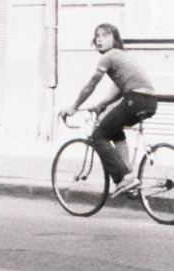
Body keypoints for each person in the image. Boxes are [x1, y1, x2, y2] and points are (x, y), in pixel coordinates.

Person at [60, 23, 159, 198]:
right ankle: (129, 176)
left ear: (115, 39)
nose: (99, 39)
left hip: (135, 99)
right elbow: (121, 89)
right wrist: (102, 103)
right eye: (97, 35)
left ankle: (125, 177)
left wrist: (74, 107)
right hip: (149, 101)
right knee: (114, 131)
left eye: (105, 35)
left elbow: (91, 84)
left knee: (98, 136)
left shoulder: (109, 57)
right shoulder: (122, 56)